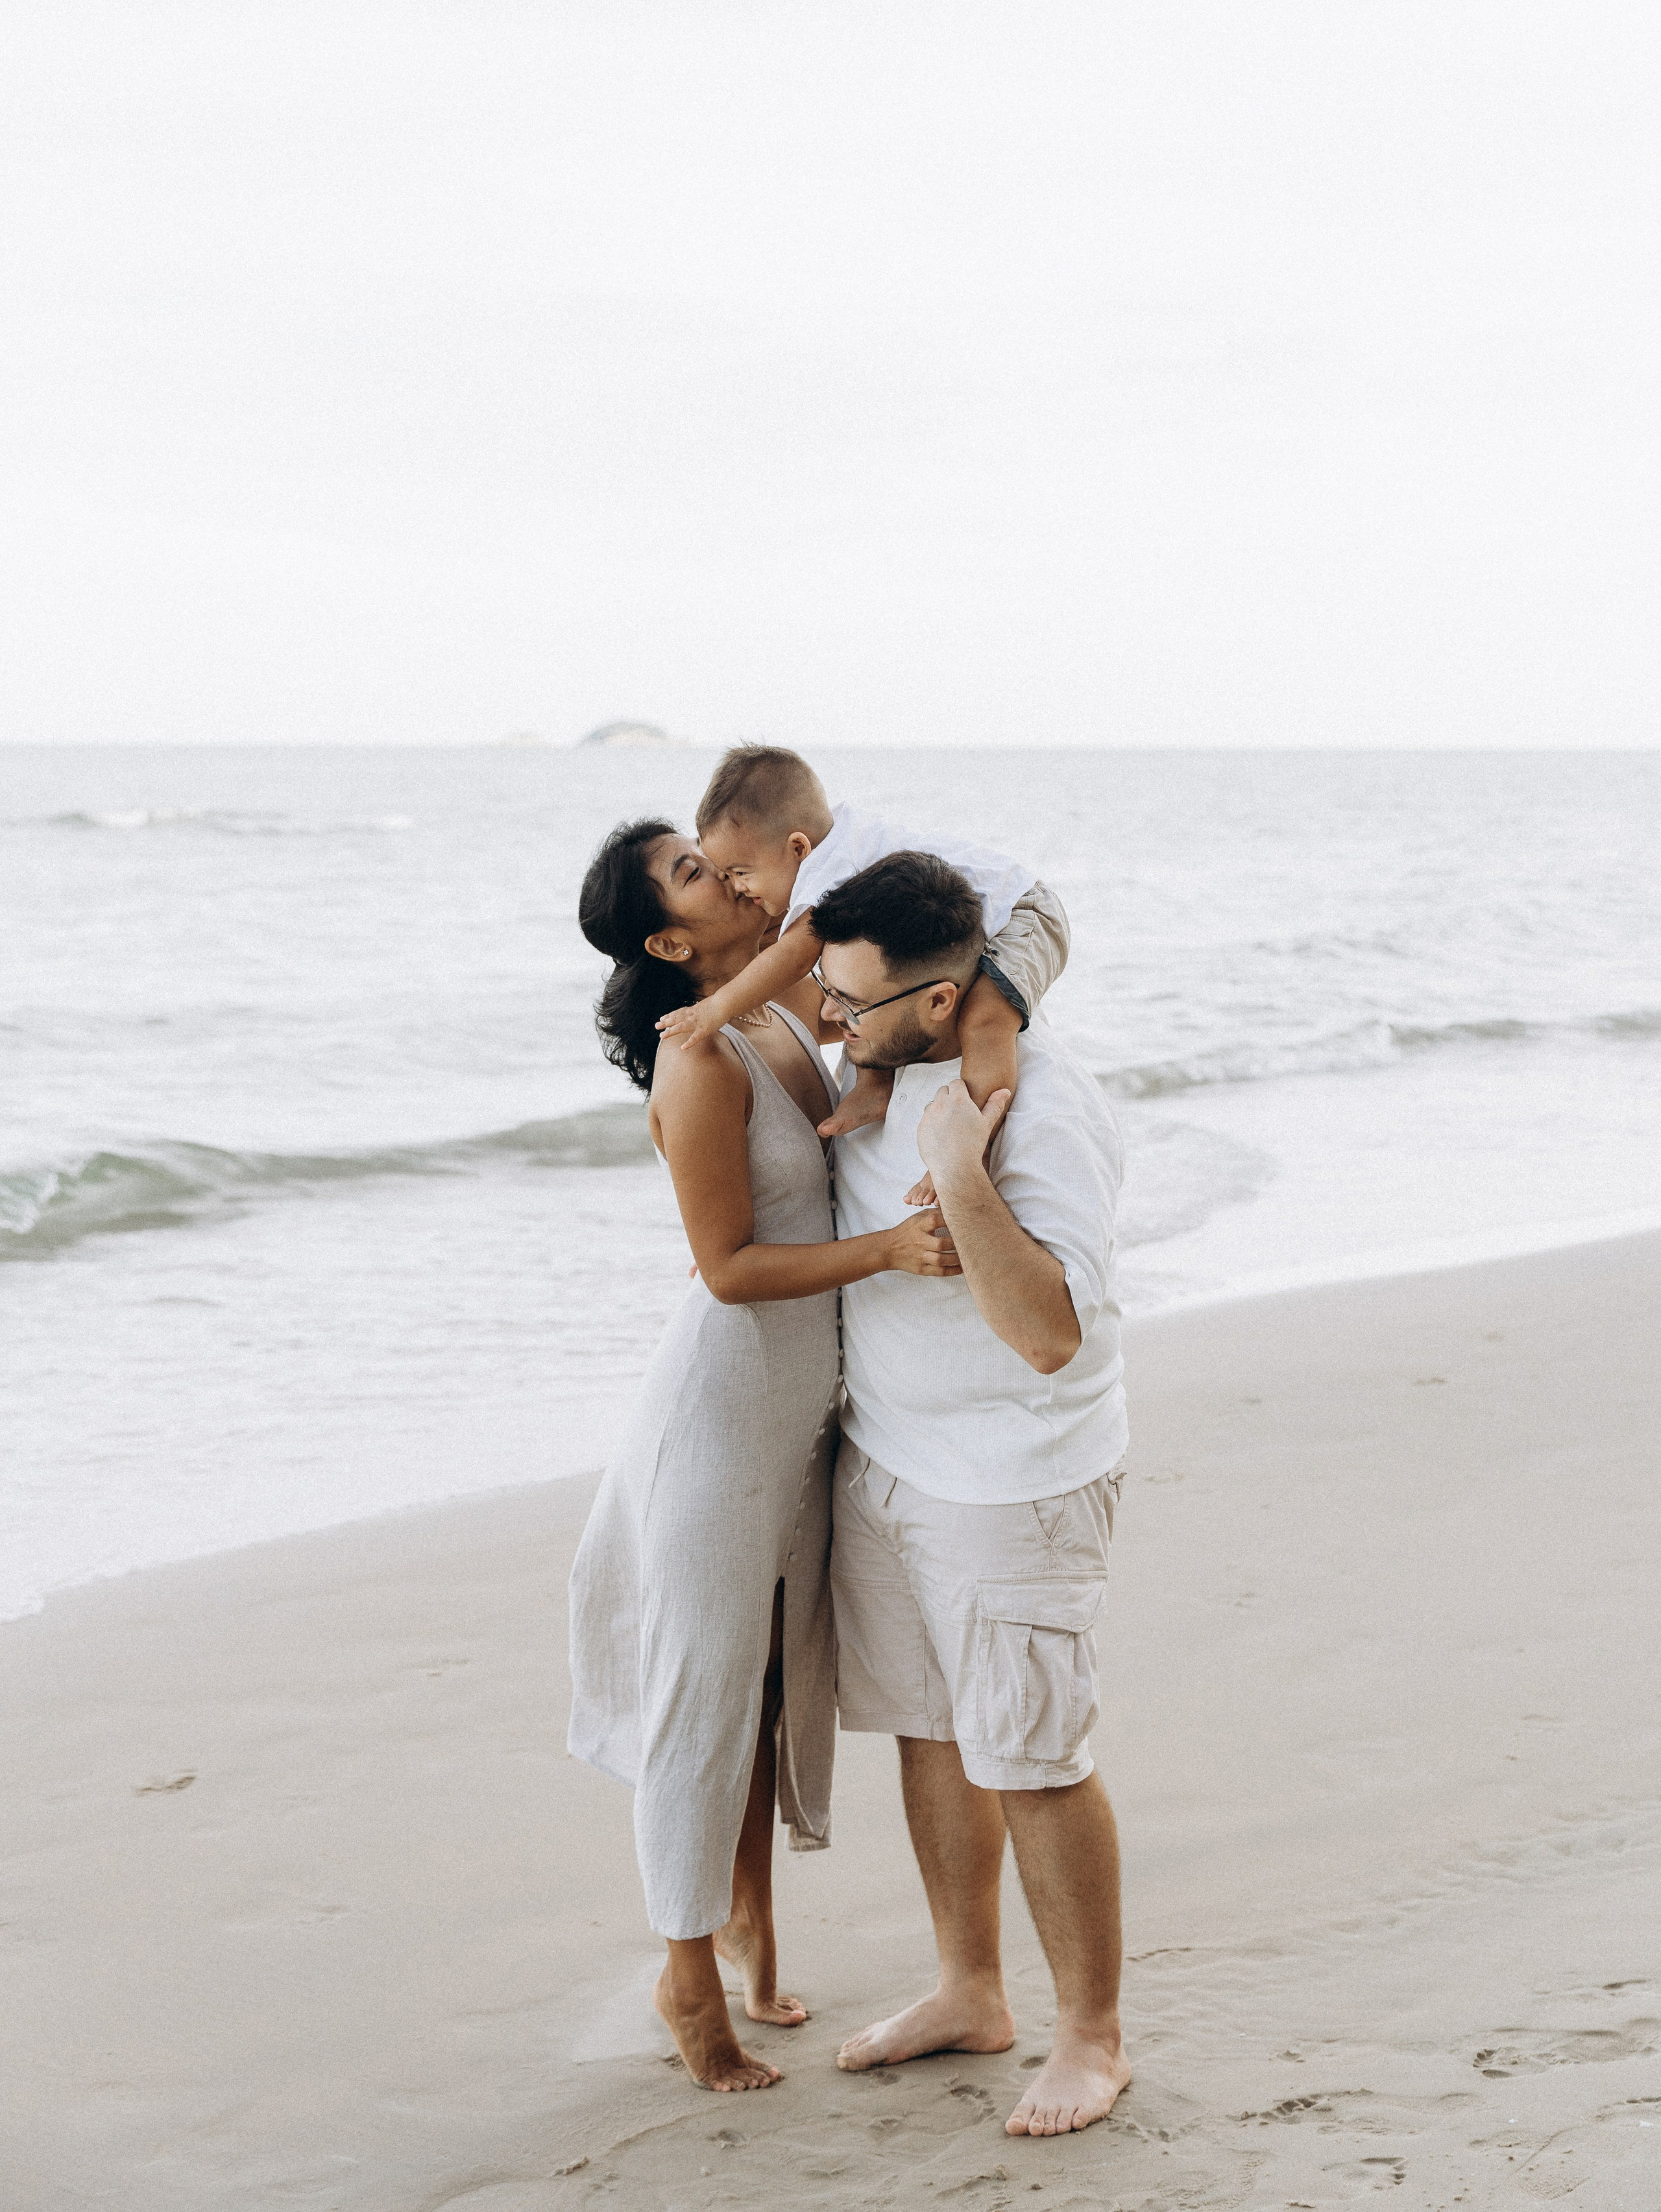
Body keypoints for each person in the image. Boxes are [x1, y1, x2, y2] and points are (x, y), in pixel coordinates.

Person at [565, 819, 961, 2095]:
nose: (720, 872)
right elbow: (727, 1272)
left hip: (799, 1415)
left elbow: (849, 896)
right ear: (670, 941)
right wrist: (890, 1255)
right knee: (702, 1698)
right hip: (721, 1414)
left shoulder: (785, 1011)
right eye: (691, 871)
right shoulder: (700, 1061)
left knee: (767, 1689)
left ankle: (748, 1922)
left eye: (710, 850)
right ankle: (688, 1981)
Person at [812, 850, 1134, 2139]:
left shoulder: (1041, 1108)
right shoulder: (896, 1056)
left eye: (851, 1007)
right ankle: (967, 1987)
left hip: (1014, 1484)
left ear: (942, 1000)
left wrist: (955, 1171)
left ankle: (1091, 2037)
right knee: (934, 1730)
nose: (831, 1027)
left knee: (1034, 1760)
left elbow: (1051, 1333)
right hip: (888, 1460)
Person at [654, 745, 1069, 1145]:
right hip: (962, 918)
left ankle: (972, 1145)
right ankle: (876, 1087)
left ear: (799, 848)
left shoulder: (830, 870)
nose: (740, 889)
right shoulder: (832, 846)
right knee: (859, 994)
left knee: (985, 1019)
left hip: (1023, 911)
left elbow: (794, 957)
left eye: (741, 872)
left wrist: (716, 1008)